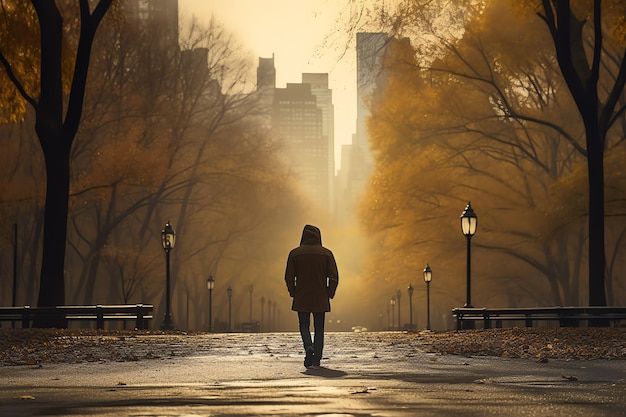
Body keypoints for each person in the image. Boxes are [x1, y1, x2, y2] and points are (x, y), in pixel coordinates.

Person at [284, 224, 339, 368]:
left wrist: (293, 292)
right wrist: (329, 292)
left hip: (302, 295)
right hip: (320, 296)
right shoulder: (326, 254)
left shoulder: (295, 254)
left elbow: (289, 276)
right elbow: (334, 276)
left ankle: (308, 346)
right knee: (319, 327)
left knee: (304, 325)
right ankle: (317, 357)